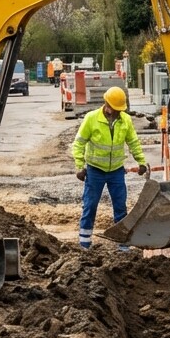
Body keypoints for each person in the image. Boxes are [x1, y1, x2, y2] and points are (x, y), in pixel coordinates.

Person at [72, 86, 148, 249]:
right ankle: (84, 244)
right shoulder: (91, 118)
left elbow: (133, 142)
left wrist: (141, 161)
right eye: (117, 109)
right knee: (90, 205)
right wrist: (79, 166)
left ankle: (123, 245)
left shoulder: (125, 120)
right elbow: (79, 143)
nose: (119, 112)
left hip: (116, 171)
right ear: (108, 105)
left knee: (120, 207)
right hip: (95, 170)